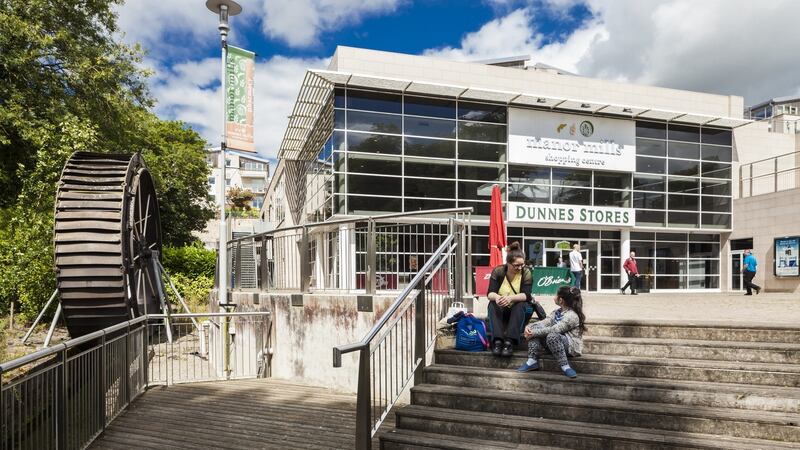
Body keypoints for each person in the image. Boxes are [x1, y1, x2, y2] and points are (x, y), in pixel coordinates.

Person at [486, 242, 546, 357]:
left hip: (520, 310)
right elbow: (489, 293)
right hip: (502, 309)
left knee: (520, 304)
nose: (519, 268)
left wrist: (510, 298)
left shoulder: (526, 272)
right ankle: (497, 341)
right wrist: (498, 297)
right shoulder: (498, 271)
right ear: (508, 263)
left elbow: (527, 295)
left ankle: (509, 342)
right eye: (516, 265)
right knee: (492, 304)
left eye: (522, 265)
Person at [517, 286, 586, 378]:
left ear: (561, 300)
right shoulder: (557, 312)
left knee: (551, 335)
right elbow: (545, 322)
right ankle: (532, 361)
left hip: (570, 347)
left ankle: (565, 366)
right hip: (553, 344)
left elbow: (555, 329)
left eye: (555, 294)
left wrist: (533, 332)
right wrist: (530, 327)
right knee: (537, 327)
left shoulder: (572, 316)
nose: (554, 296)